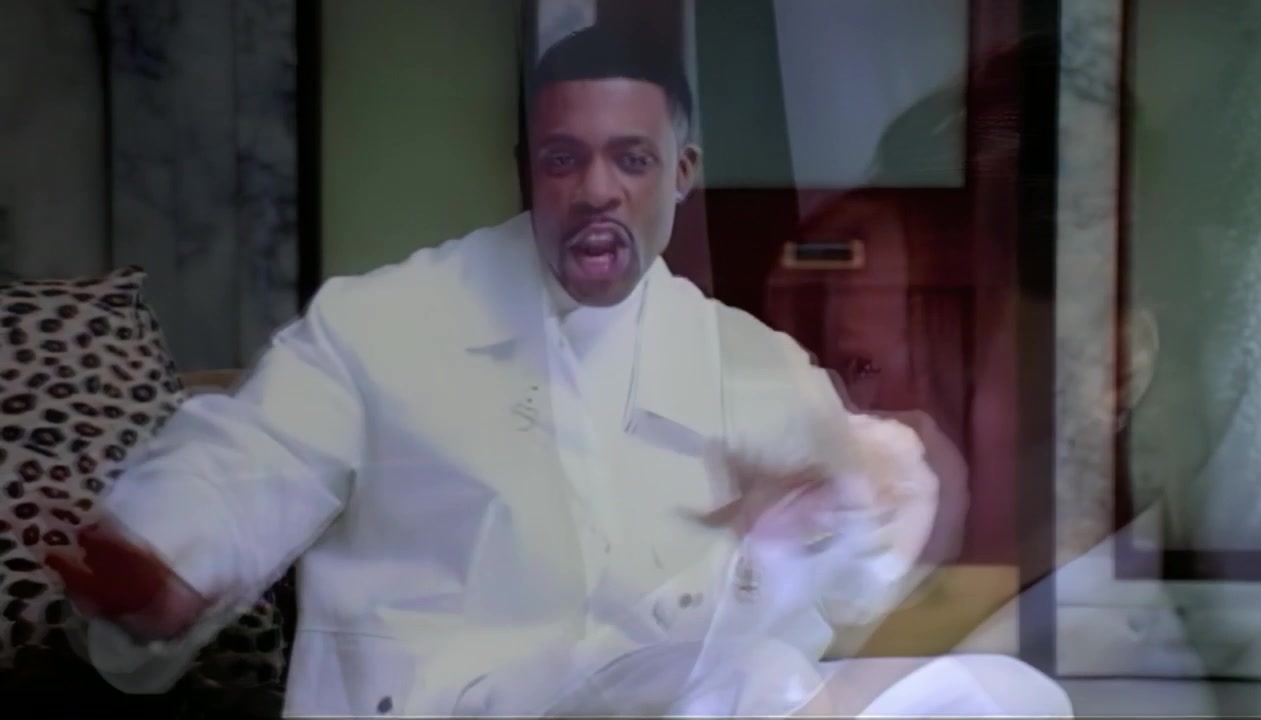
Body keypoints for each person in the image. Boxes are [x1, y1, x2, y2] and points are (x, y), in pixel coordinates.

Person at [46, 25, 1072, 717]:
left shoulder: (751, 364)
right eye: (563, 158)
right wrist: (164, 558)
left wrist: (857, 499)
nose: (596, 191)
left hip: (708, 699)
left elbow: (857, 572)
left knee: (1010, 697)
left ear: (681, 173)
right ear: (524, 168)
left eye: (631, 159)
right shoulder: (380, 328)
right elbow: (248, 456)